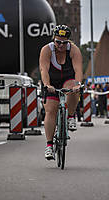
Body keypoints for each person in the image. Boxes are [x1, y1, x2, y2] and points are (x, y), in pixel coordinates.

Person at [39, 25, 83, 160]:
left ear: (68, 42)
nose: (60, 45)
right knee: (50, 110)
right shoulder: (47, 50)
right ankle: (49, 145)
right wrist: (47, 85)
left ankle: (70, 116)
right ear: (54, 40)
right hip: (51, 82)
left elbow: (78, 70)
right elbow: (44, 70)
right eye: (58, 42)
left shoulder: (74, 50)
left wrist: (78, 84)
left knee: (74, 87)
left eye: (64, 42)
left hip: (68, 79)